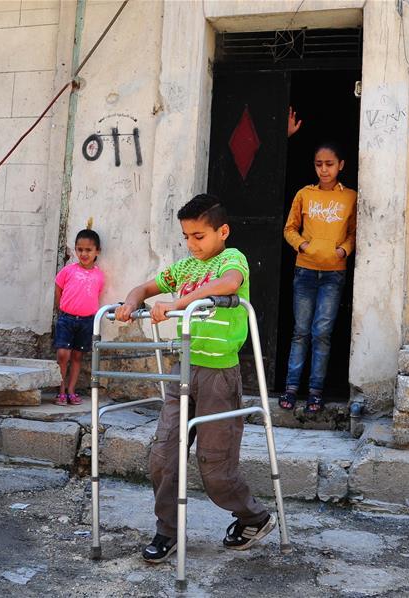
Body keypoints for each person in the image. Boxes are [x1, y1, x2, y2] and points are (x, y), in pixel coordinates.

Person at [115, 194, 275, 563]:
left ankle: (253, 516)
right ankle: (167, 531)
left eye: (199, 236)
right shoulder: (184, 268)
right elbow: (144, 288)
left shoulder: (231, 259)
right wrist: (130, 302)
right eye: (186, 236)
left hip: (219, 373)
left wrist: (178, 304)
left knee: (215, 467)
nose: (192, 244)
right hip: (182, 370)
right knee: (163, 456)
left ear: (223, 231)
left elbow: (230, 284)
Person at [280, 142, 356, 417]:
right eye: (319, 164)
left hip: (334, 274)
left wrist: (343, 250)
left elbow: (354, 232)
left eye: (329, 164)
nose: (324, 169)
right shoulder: (304, 194)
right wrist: (302, 246)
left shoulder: (350, 197)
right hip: (305, 272)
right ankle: (290, 388)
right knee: (300, 331)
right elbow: (289, 228)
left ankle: (315, 392)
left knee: (321, 333)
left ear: (341, 166)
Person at [53, 229, 104, 405]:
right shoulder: (68, 271)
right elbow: (58, 288)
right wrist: (62, 308)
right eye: (79, 249)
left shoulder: (99, 275)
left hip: (87, 321)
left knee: (77, 357)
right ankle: (60, 390)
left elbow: (95, 295)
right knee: (62, 354)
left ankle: (71, 390)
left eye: (88, 250)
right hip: (66, 319)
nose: (83, 254)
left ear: (97, 251)